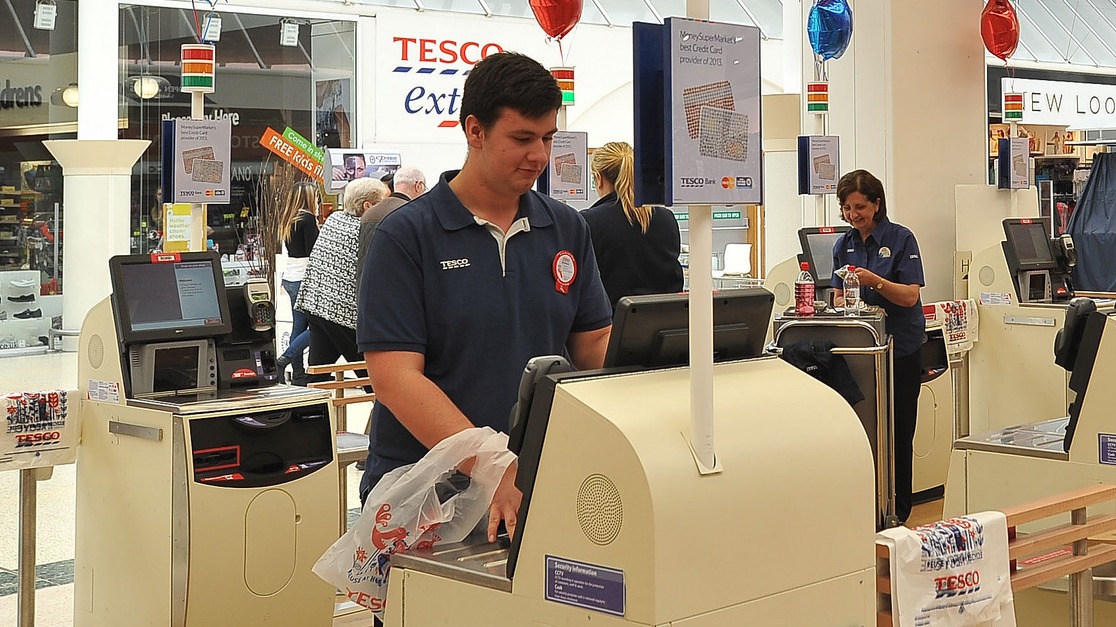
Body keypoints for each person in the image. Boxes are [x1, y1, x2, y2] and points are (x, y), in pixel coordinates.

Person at [356, 52, 613, 544]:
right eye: (522, 139)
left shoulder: (566, 228)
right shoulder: (407, 236)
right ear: (474, 130)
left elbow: (592, 343)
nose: (539, 154)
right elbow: (394, 377)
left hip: (534, 487)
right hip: (425, 498)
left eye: (547, 138)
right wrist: (491, 464)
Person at [831, 169, 925, 524]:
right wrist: (843, 300)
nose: (853, 215)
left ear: (876, 204)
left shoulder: (901, 239)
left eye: (860, 207)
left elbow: (910, 295)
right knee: (865, 429)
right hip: (863, 350)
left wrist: (875, 282)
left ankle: (899, 511)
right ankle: (866, 505)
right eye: (847, 208)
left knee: (899, 431)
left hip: (900, 349)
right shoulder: (843, 246)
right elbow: (838, 295)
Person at [296, 177, 388, 385]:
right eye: (383, 201)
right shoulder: (366, 229)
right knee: (372, 378)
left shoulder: (335, 220)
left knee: (318, 374)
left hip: (318, 304)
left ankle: (310, 413)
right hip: (344, 313)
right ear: (368, 206)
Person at [582, 141, 684, 310]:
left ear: (598, 179)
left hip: (613, 329)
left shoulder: (589, 222)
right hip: (665, 324)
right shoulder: (666, 218)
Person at [275, 181, 321, 385]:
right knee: (320, 327)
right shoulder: (308, 218)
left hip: (291, 276)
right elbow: (314, 251)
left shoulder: (289, 218)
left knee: (299, 326)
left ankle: (298, 374)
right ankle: (285, 357)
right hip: (306, 277)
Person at [355, 166, 427, 287]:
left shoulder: (370, 213)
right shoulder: (417, 215)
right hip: (397, 289)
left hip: (366, 287)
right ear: (418, 186)